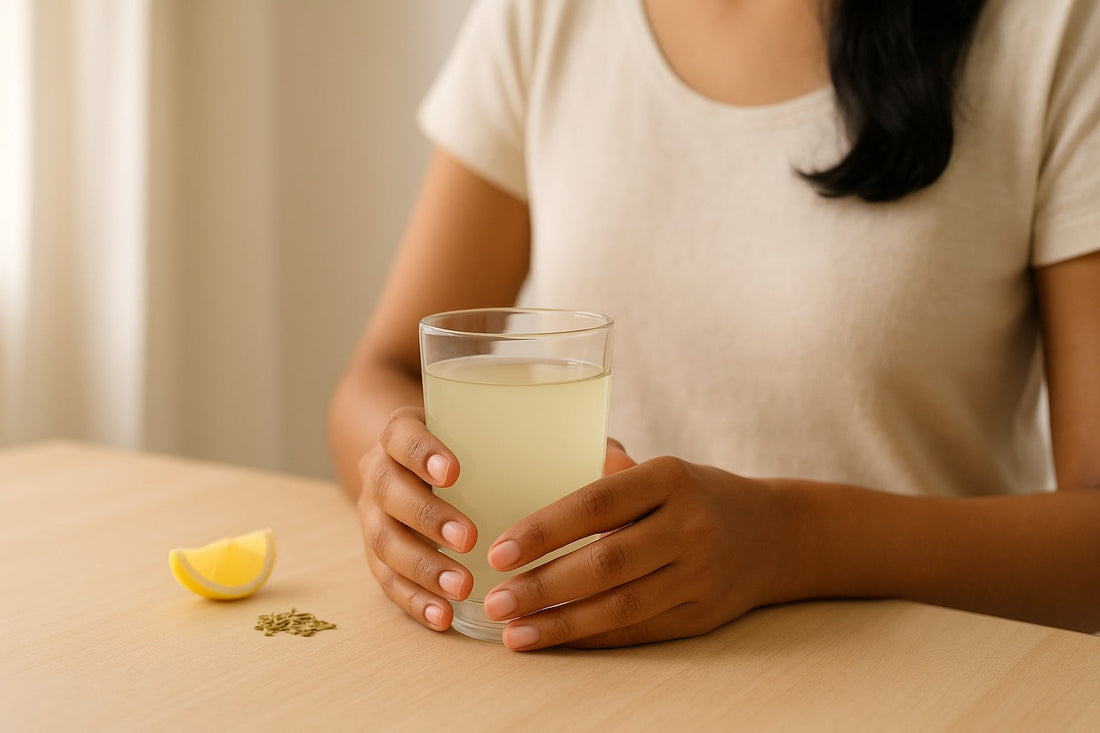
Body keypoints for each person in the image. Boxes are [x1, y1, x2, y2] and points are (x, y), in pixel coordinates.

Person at [328, 0, 1100, 651]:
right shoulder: (551, 13)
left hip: (918, 678)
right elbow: (383, 375)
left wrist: (790, 541)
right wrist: (403, 492)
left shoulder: (1052, 26)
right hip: (579, 680)